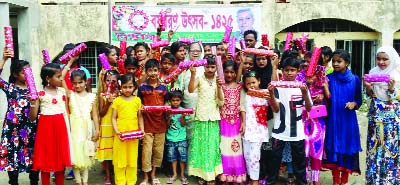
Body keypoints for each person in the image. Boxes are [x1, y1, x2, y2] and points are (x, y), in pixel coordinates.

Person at [268, 57, 313, 185]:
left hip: (296, 131)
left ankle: (302, 182)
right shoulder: (278, 87)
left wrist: (305, 94)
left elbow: (309, 108)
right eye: (286, 70)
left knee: (299, 161)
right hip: (279, 130)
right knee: (274, 159)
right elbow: (275, 109)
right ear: (282, 71)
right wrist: (271, 94)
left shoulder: (302, 87)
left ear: (298, 71)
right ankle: (271, 181)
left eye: (292, 70)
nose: (289, 73)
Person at [0, 48, 40, 185]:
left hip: (30, 128)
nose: (27, 75)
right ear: (15, 74)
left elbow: (34, 115)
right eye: (24, 72)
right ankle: (13, 181)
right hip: (13, 128)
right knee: (13, 155)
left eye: (29, 71)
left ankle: (34, 181)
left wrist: (34, 102)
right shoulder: (10, 88)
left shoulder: (34, 91)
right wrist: (4, 59)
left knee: (33, 155)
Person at [29, 63, 72, 185]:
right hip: (46, 129)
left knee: (61, 160)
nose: (61, 79)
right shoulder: (39, 94)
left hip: (61, 127)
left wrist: (70, 129)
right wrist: (32, 103)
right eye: (58, 76)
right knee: (45, 160)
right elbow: (32, 117)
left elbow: (66, 111)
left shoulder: (62, 91)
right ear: (48, 78)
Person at [323, 49, 362, 185]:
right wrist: (325, 89)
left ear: (347, 63)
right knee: (334, 148)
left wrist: (354, 103)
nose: (335, 64)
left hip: (348, 120)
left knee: (347, 147)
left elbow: (359, 99)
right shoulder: (329, 78)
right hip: (333, 120)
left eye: (339, 61)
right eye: (333, 61)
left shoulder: (355, 79)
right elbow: (327, 100)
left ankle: (344, 181)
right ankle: (335, 180)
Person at [364, 46, 400, 185]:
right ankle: (374, 181)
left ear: (392, 59)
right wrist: (367, 87)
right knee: (374, 150)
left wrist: (391, 89)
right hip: (375, 119)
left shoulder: (398, 74)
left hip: (392, 122)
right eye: (378, 58)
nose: (381, 62)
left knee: (390, 150)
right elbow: (369, 97)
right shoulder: (373, 72)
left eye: (385, 59)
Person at [61, 59, 100, 185]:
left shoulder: (91, 97)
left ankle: (85, 181)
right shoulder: (70, 95)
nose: (78, 85)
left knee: (86, 153)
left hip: (87, 128)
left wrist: (98, 130)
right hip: (74, 129)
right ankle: (78, 181)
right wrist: (69, 63)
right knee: (76, 155)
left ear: (86, 82)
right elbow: (61, 78)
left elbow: (94, 114)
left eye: (80, 82)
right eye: (75, 83)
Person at [188, 54, 224, 184]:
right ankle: (202, 174)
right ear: (203, 67)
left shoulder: (219, 80)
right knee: (201, 147)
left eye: (212, 67)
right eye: (207, 66)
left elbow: (221, 102)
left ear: (216, 67)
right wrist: (192, 75)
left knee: (213, 147)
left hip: (213, 118)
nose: (210, 69)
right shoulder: (199, 78)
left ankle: (211, 175)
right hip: (201, 118)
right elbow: (191, 90)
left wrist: (219, 87)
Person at [296, 51, 330, 185]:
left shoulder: (322, 75)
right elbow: (296, 96)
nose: (305, 63)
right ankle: (304, 176)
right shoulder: (299, 76)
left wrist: (322, 95)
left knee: (317, 147)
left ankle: (315, 178)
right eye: (304, 60)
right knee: (304, 146)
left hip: (318, 117)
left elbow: (328, 96)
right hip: (303, 115)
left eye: (309, 61)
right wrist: (308, 85)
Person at [241, 71, 279, 185]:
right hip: (246, 131)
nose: (252, 85)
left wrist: (271, 94)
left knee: (254, 157)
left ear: (259, 81)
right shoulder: (245, 94)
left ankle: (255, 180)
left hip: (258, 131)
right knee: (247, 156)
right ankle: (251, 177)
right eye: (248, 84)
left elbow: (275, 107)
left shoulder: (265, 93)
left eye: (254, 82)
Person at [138, 59, 168, 185]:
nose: (153, 73)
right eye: (150, 70)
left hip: (160, 125)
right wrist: (141, 127)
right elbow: (139, 106)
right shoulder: (142, 88)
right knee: (146, 152)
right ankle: (145, 177)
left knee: (158, 151)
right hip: (147, 125)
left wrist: (167, 111)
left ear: (159, 72)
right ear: (146, 72)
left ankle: (153, 175)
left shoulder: (164, 87)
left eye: (155, 70)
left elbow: (167, 103)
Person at [111, 74, 143, 185]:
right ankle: (120, 182)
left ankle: (131, 182)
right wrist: (117, 131)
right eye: (125, 87)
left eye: (130, 87)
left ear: (134, 87)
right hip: (121, 136)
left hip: (133, 136)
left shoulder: (137, 100)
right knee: (120, 160)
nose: (127, 89)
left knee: (132, 159)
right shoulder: (117, 101)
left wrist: (142, 130)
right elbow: (113, 118)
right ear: (120, 87)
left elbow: (140, 117)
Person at [218, 60, 247, 184]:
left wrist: (244, 123)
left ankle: (236, 176)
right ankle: (225, 176)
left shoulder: (240, 87)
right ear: (222, 72)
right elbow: (218, 103)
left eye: (232, 72)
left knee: (236, 148)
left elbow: (242, 106)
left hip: (236, 123)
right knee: (224, 148)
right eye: (226, 72)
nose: (229, 75)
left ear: (236, 73)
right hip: (223, 122)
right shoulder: (220, 86)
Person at [96, 70, 120, 185]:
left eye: (113, 81)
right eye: (108, 80)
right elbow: (101, 113)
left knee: (116, 151)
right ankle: (108, 176)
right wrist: (108, 102)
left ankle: (116, 173)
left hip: (118, 127)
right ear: (104, 81)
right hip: (106, 126)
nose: (110, 83)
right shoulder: (102, 95)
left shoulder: (121, 95)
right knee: (107, 154)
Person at [165, 90, 190, 185]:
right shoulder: (168, 111)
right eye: (173, 100)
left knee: (182, 158)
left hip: (181, 139)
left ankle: (182, 175)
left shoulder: (183, 110)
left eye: (177, 100)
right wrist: (169, 118)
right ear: (170, 101)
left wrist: (183, 116)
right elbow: (167, 126)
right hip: (171, 138)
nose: (175, 102)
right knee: (173, 158)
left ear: (181, 100)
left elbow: (183, 125)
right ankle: (175, 174)